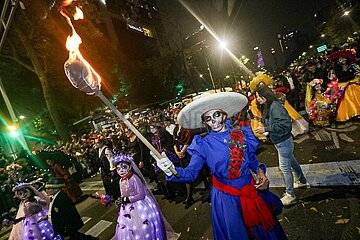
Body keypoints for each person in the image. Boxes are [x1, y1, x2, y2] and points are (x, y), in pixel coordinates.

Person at [152, 92, 286, 240]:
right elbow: (190, 173)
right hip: (227, 199)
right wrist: (170, 170)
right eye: (208, 119)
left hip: (251, 190)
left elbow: (251, 159)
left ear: (223, 115)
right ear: (205, 122)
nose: (213, 121)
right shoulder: (202, 144)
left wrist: (260, 171)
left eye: (216, 115)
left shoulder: (240, 134)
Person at [253, 82, 310, 206]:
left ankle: (290, 195)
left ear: (266, 95)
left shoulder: (275, 106)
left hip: (284, 142)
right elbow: (273, 122)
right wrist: (263, 126)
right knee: (293, 162)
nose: (257, 99)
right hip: (281, 141)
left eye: (259, 96)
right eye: (256, 96)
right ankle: (302, 181)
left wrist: (266, 129)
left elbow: (284, 124)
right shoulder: (268, 106)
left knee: (284, 167)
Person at [113, 153, 177, 240]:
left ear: (130, 167)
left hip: (139, 206)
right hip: (127, 208)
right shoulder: (121, 180)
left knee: (143, 226)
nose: (121, 170)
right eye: (118, 168)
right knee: (130, 227)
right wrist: (120, 200)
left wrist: (127, 199)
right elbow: (123, 194)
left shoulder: (134, 178)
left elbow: (141, 195)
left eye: (124, 167)